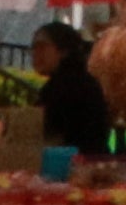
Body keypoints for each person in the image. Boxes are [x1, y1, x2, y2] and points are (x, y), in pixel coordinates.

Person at [30, 22, 108, 155]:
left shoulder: (61, 87)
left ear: (63, 51)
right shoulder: (85, 81)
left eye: (42, 47)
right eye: (33, 47)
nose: (35, 54)